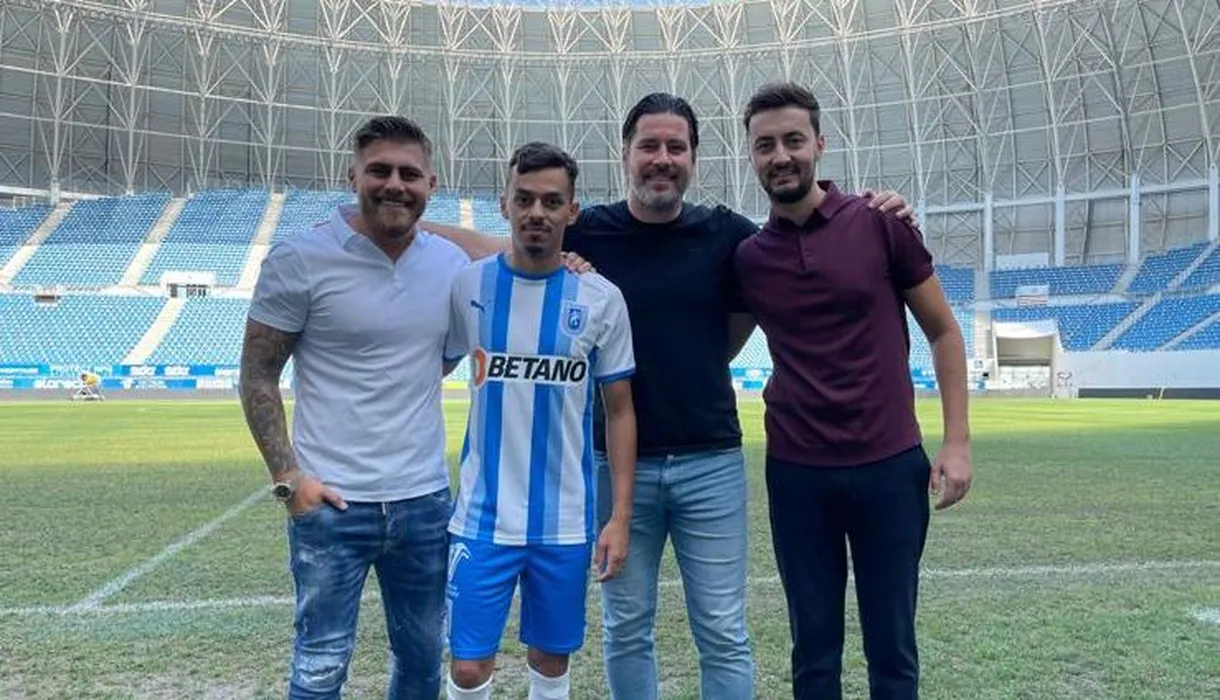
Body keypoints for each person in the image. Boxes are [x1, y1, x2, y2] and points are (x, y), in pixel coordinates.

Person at [422, 92, 917, 700]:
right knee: (627, 628)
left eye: (675, 147)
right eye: (649, 146)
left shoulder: (727, 235)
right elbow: (505, 248)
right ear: (625, 154)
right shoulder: (587, 230)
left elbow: (796, 246)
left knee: (723, 631)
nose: (662, 158)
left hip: (711, 463)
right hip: (615, 468)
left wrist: (876, 208)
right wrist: (411, 223)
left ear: (693, 158)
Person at [733, 82, 974, 700]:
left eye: (793, 140)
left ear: (819, 144)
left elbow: (944, 331)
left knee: (892, 648)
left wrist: (957, 443)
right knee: (813, 653)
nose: (781, 155)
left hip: (889, 467)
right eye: (765, 145)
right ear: (751, 156)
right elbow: (714, 345)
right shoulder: (749, 259)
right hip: (797, 475)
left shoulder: (879, 223)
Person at [239, 115, 469, 700]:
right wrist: (289, 478)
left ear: (431, 184)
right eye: (379, 171)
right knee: (320, 668)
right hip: (331, 506)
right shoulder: (300, 258)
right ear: (353, 177)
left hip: (423, 504)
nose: (395, 184)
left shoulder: (450, 267)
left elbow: (436, 361)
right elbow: (258, 373)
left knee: (422, 663)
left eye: (409, 173)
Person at [441, 141, 638, 700]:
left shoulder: (601, 298)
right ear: (504, 204)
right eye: (523, 199)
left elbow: (620, 410)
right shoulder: (469, 285)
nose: (536, 212)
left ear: (572, 211)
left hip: (565, 523)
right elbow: (432, 364)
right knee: (468, 668)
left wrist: (619, 516)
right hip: (481, 517)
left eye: (552, 202)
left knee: (550, 661)